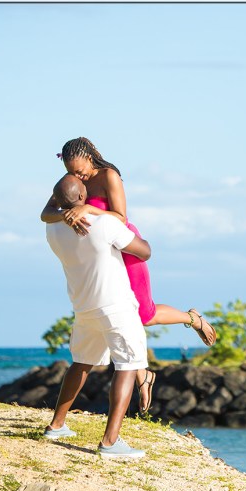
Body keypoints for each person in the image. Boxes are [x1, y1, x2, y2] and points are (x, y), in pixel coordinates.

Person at [41, 137, 216, 412]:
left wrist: (86, 208)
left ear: (90, 156)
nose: (79, 176)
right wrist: (67, 215)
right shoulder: (71, 183)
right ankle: (143, 375)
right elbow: (46, 213)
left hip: (125, 244)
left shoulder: (109, 176)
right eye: (72, 172)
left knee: (142, 315)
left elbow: (120, 217)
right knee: (125, 318)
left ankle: (192, 318)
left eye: (81, 170)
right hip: (100, 250)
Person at [44, 174, 150, 459]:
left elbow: (52, 211)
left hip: (84, 307)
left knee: (81, 363)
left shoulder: (52, 230)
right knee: (128, 365)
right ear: (83, 199)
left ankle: (57, 425)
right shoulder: (104, 224)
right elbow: (144, 251)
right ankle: (110, 442)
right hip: (115, 306)